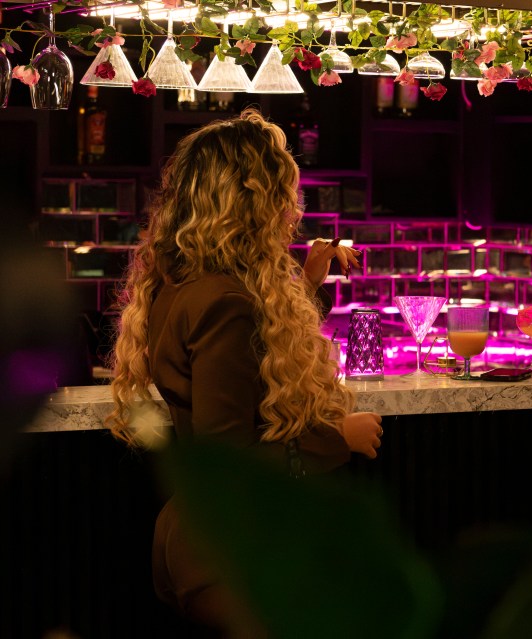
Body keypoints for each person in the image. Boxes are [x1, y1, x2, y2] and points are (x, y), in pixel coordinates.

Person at [105, 108, 382, 635]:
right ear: (252, 202)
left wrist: (305, 283)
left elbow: (244, 359)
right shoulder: (226, 303)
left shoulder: (187, 285)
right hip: (228, 553)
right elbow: (229, 460)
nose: (291, 209)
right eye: (283, 192)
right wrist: (337, 438)